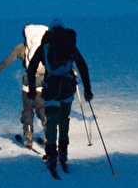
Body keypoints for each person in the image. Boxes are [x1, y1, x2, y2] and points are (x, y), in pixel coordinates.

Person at [25, 19, 93, 178]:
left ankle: (51, 154)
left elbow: (32, 67)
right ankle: (63, 152)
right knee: (64, 119)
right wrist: (87, 89)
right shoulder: (70, 45)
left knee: (52, 120)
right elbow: (82, 66)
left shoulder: (45, 47)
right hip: (67, 87)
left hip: (51, 87)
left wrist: (32, 88)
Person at [0, 24, 48, 148]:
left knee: (28, 110)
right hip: (42, 85)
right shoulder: (46, 48)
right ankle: (48, 135)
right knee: (42, 109)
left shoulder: (21, 48)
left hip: (28, 85)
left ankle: (28, 135)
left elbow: (5, 63)